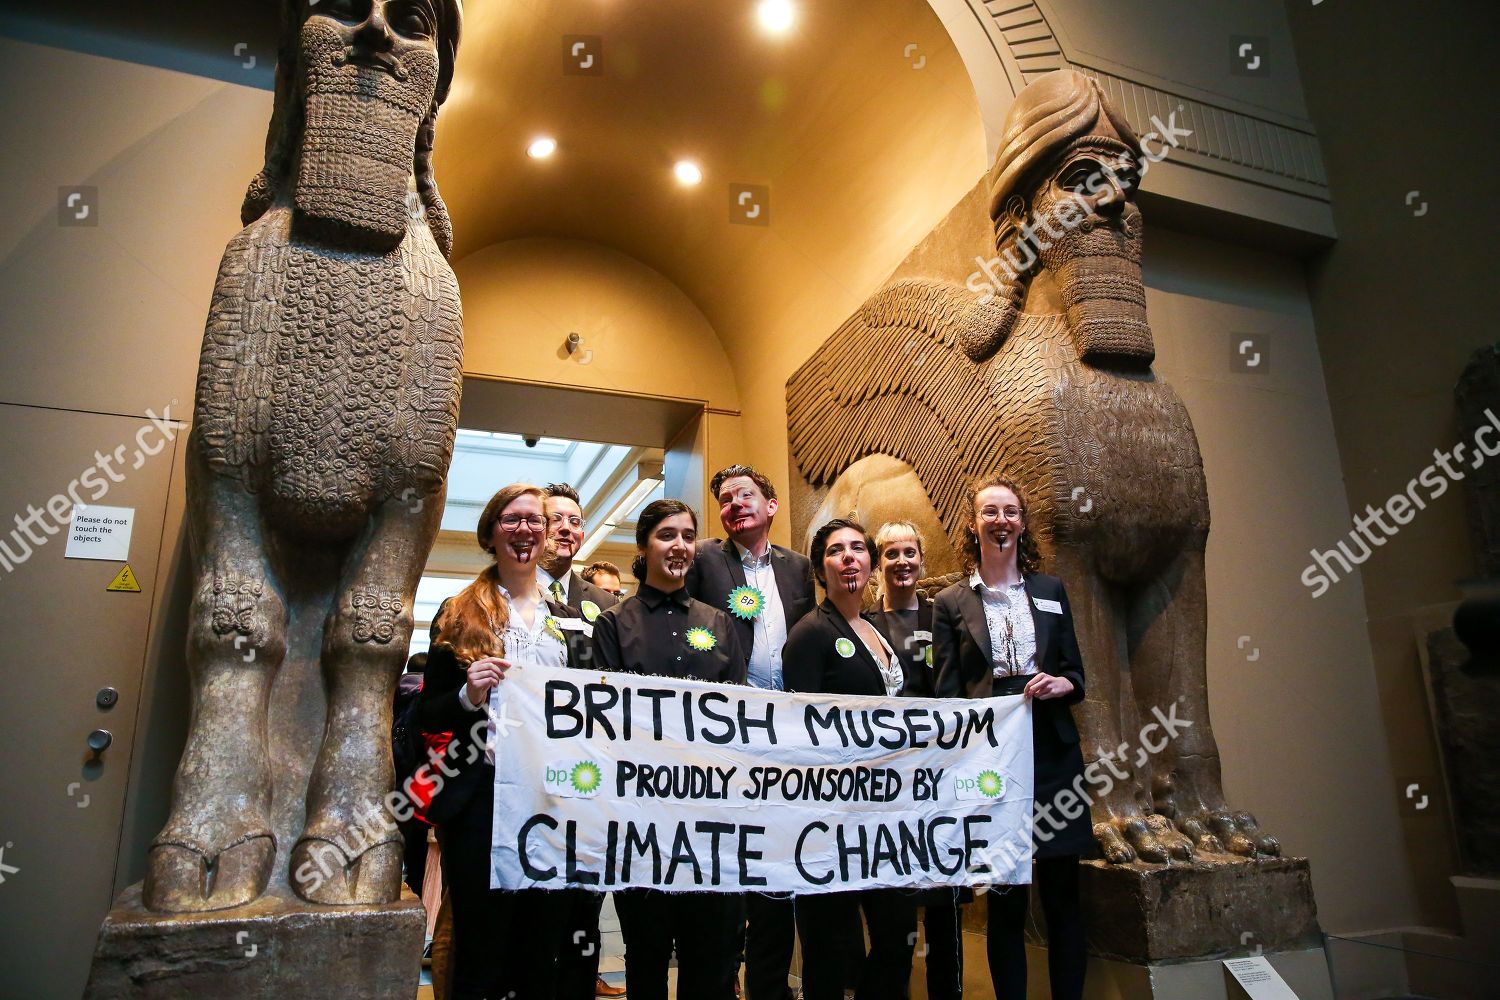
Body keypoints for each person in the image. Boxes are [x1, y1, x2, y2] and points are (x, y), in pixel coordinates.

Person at [417, 483, 591, 999]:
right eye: (512, 520)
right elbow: (427, 709)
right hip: (481, 800)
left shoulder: (575, 619)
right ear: (491, 532)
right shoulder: (459, 611)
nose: (526, 530)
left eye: (534, 520)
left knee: (541, 948)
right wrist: (468, 696)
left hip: (553, 798)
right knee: (480, 948)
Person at [933, 474, 1089, 1000]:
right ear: (973, 525)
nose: (1001, 521)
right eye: (989, 512)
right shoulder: (951, 602)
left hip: (1053, 755)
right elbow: (947, 694)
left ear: (1023, 524)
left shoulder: (1050, 591)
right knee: (1005, 898)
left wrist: (1061, 682)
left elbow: (1077, 675)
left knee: (1064, 894)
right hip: (992, 762)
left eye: (1010, 512)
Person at [592, 499, 748, 1000]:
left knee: (713, 959)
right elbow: (609, 723)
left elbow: (740, 720)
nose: (679, 545)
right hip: (642, 824)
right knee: (647, 958)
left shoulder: (721, 624)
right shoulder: (613, 625)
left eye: (687, 535)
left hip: (711, 823)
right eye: (666, 535)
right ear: (644, 545)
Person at [686, 464, 816, 1000]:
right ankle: (720, 982)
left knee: (779, 867)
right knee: (730, 866)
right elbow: (688, 629)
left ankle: (769, 985)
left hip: (789, 737)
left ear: (771, 505)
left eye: (745, 496)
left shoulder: (802, 568)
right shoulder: (703, 560)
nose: (734, 504)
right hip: (728, 733)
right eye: (724, 499)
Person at [782, 518, 919, 1000]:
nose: (849, 558)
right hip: (833, 818)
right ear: (822, 567)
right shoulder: (809, 634)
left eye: (858, 549)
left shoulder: (877, 629)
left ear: (870, 561)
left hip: (888, 813)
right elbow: (801, 734)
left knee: (898, 933)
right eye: (837, 551)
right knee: (831, 946)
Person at [868, 521, 968, 1000]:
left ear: (922, 560)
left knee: (945, 911)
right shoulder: (864, 625)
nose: (902, 562)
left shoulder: (942, 618)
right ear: (877, 564)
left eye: (910, 553)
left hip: (940, 782)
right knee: (895, 912)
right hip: (887, 787)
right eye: (891, 554)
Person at [538, 484, 626, 1000]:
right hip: (528, 776)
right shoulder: (508, 596)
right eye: (556, 520)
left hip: (588, 780)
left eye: (575, 520)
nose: (567, 528)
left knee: (582, 912)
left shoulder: (604, 606)